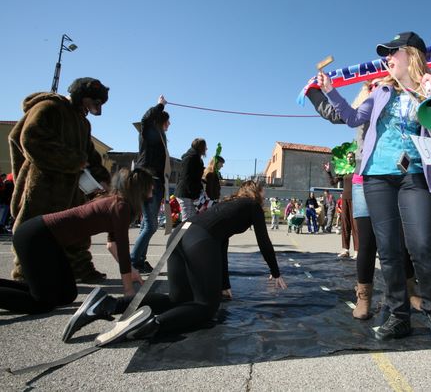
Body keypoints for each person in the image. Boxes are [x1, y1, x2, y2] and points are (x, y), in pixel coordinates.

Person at [317, 31, 431, 346]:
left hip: (415, 175)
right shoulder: (381, 90)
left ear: (412, 55)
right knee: (390, 250)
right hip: (377, 177)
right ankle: (399, 316)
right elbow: (353, 118)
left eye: (393, 52)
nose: (387, 58)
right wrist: (330, 91)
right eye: (386, 54)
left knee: (421, 244)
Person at [63, 181, 287, 345]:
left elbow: (222, 245)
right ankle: (150, 325)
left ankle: (108, 304)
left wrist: (224, 284)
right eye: (262, 191)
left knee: (177, 299)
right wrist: (276, 272)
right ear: (254, 193)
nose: (264, 195)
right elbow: (264, 242)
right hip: (199, 239)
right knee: (206, 307)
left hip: (180, 233)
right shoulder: (252, 206)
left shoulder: (229, 205)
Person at [0, 168, 151, 315]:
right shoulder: (121, 207)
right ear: (141, 189)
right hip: (36, 237)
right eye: (151, 186)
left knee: (67, 295)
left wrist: (131, 270)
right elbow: (123, 252)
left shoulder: (116, 204)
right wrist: (129, 291)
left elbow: (112, 245)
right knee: (42, 303)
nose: (153, 190)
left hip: (48, 240)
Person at [8, 77, 112, 283]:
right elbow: (30, 139)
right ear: (82, 96)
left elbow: (90, 154)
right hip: (43, 184)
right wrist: (73, 160)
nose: (97, 108)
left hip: (73, 186)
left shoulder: (82, 121)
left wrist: (102, 178)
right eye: (96, 102)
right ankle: (25, 274)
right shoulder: (49, 107)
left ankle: (80, 268)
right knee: (34, 229)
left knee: (77, 229)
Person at [131, 95, 171, 274]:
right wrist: (160, 106)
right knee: (151, 225)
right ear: (160, 121)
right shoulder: (148, 132)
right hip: (148, 181)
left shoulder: (160, 138)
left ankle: (140, 261)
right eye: (167, 121)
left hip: (156, 182)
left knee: (146, 225)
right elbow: (145, 119)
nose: (169, 124)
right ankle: (133, 262)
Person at [175, 138, 207, 222]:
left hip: (187, 193)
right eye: (205, 147)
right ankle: (183, 231)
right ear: (201, 147)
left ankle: (186, 231)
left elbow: (192, 176)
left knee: (191, 219)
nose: (206, 149)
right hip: (186, 193)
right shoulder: (192, 158)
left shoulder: (193, 158)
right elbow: (187, 177)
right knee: (187, 220)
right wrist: (194, 195)